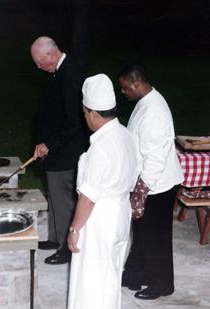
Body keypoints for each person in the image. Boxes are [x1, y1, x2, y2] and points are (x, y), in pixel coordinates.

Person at [67, 74, 139, 309]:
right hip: (120, 213)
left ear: (94, 114)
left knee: (91, 280)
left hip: (99, 218)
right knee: (111, 274)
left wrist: (74, 228)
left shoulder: (101, 147)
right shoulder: (127, 135)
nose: (85, 117)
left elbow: (88, 198)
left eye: (85, 112)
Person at [118, 63, 184, 300]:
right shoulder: (145, 102)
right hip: (149, 179)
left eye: (125, 88)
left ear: (136, 84)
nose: (123, 92)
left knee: (155, 237)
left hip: (158, 183)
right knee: (143, 232)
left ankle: (162, 284)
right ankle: (136, 275)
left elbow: (155, 160)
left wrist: (140, 194)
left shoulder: (153, 112)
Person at [31, 36, 88, 265]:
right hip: (56, 151)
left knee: (63, 200)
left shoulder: (71, 74)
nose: (37, 66)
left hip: (67, 152)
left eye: (38, 61)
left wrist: (49, 144)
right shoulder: (60, 71)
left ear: (51, 55)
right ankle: (55, 238)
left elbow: (74, 122)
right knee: (54, 196)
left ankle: (66, 247)